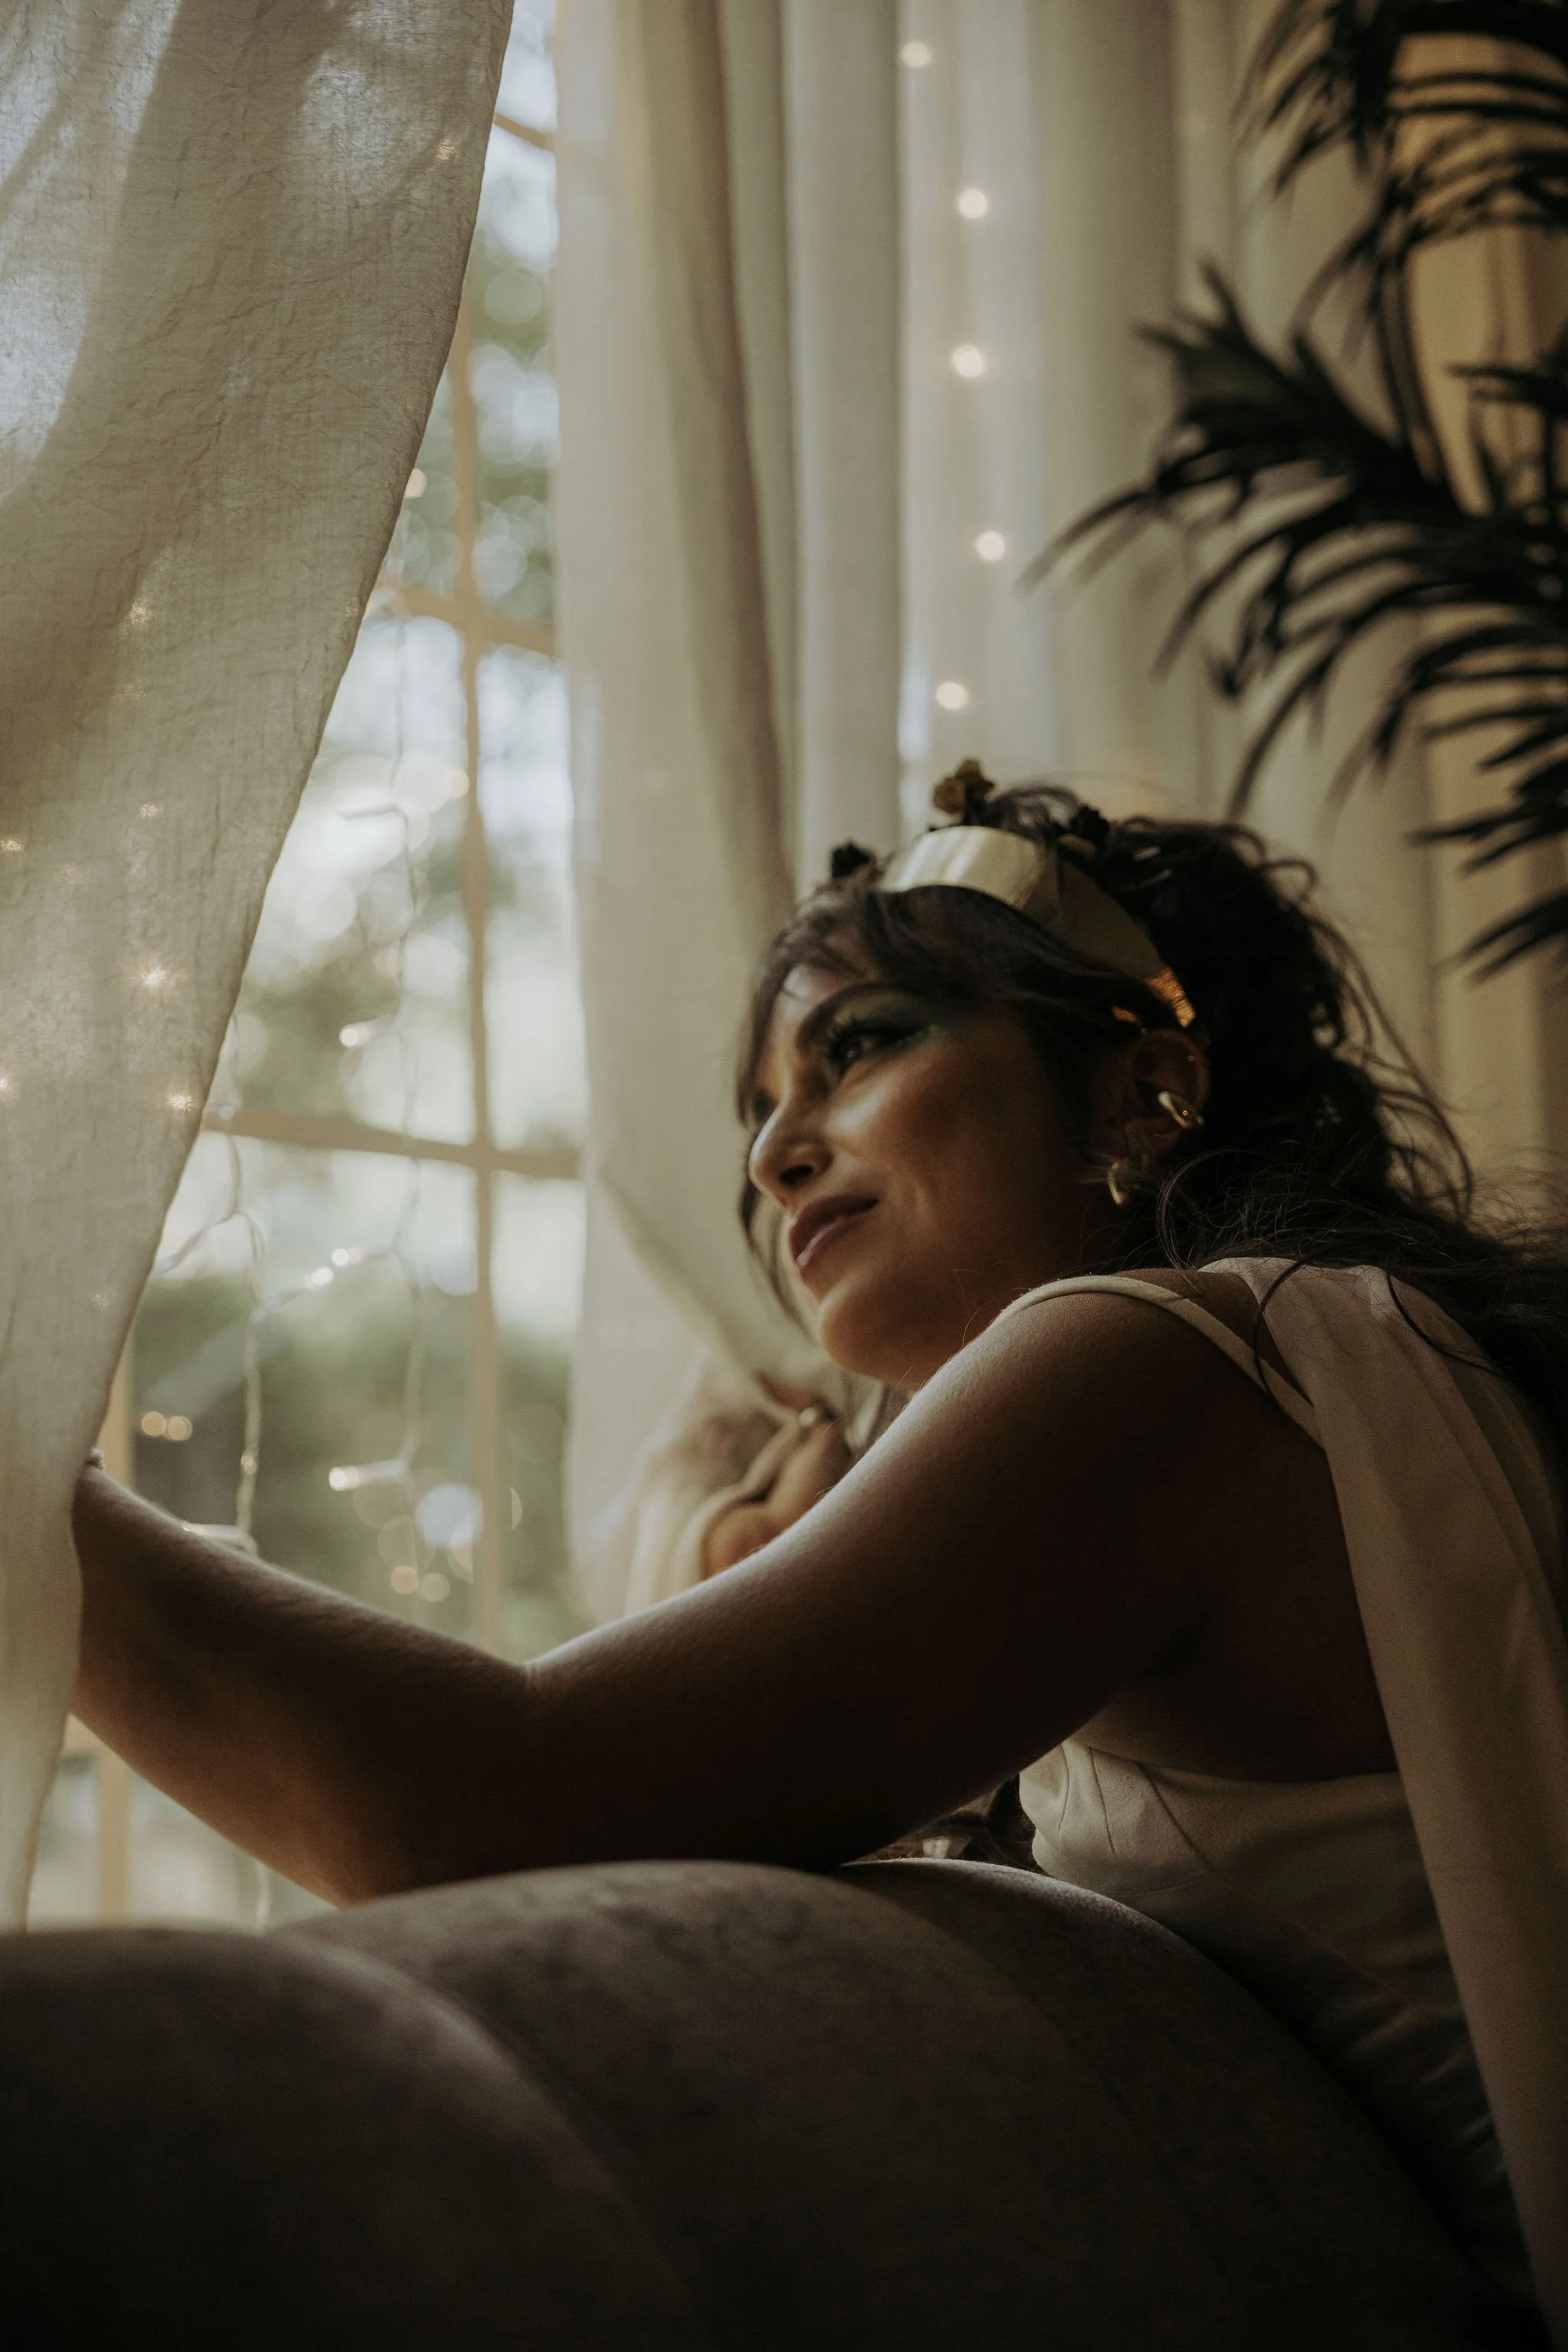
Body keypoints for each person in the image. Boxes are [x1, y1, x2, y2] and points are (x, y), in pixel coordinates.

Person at [70, 769, 1568, 2334]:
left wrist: (33, 1489)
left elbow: (487, 1807)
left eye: (859, 1046)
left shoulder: (1158, 1368)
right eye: (764, 1107)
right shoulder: (1338, 1366)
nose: (776, 1152)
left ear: (1144, 1090)